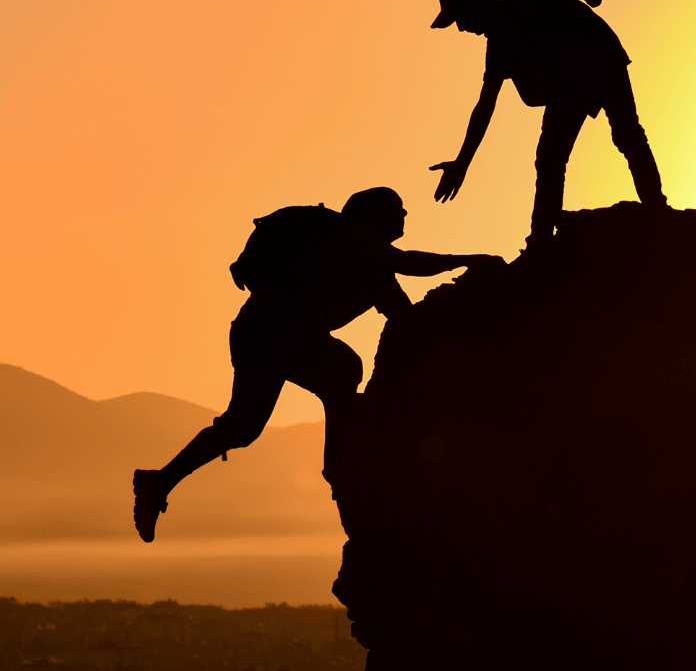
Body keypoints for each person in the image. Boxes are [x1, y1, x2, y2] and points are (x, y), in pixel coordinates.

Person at [133, 187, 497, 543]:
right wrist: (468, 261)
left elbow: (405, 319)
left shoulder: (376, 271)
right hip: (269, 329)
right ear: (371, 212)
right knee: (341, 370)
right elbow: (409, 263)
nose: (403, 214)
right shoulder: (358, 235)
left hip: (259, 331)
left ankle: (160, 481)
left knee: (246, 426)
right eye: (395, 207)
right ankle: (336, 468)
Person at [429, 0, 666, 246]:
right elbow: (485, 105)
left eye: (459, 17)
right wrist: (462, 163)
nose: (461, 28)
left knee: (626, 133)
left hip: (601, 60)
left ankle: (656, 208)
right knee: (549, 158)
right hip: (568, 84)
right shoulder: (498, 47)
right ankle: (541, 239)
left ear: (475, 2)